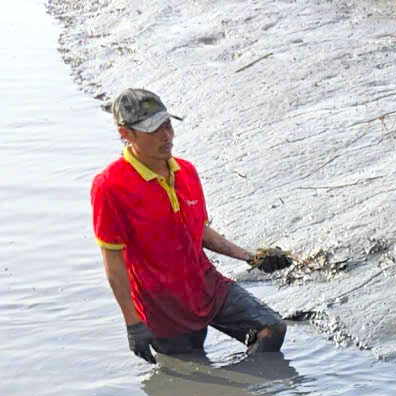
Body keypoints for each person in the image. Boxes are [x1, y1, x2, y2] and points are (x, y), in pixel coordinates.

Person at [91, 88, 291, 364]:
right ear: (126, 134)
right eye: (153, 130)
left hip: (206, 286)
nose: (166, 137)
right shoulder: (110, 187)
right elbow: (112, 261)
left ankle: (250, 392)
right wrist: (133, 323)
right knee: (195, 374)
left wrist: (251, 257)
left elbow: (199, 232)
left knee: (272, 329)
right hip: (162, 308)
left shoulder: (186, 172)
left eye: (168, 125)